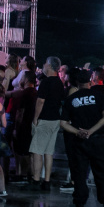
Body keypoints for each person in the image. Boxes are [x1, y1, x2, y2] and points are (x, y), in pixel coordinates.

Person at [59, 69, 104, 207]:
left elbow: (63, 123)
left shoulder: (71, 99)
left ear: (76, 83)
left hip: (79, 141)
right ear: (90, 81)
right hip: (97, 139)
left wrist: (78, 132)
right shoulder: (99, 96)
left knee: (79, 174)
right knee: (101, 173)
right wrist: (91, 131)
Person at [29, 56, 64, 190]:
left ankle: (36, 180)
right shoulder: (59, 82)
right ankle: (47, 181)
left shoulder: (46, 82)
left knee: (37, 150)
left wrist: (35, 118)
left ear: (49, 66)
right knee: (48, 152)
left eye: (45, 63)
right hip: (55, 119)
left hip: (44, 119)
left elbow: (40, 101)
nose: (43, 65)